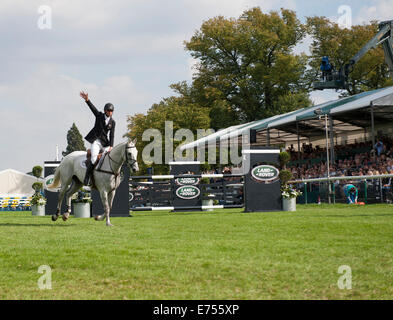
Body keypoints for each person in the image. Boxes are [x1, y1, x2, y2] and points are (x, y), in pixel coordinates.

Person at [80, 91, 116, 186]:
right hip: (96, 141)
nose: (110, 112)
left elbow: (112, 135)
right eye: (108, 110)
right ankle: (87, 178)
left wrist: (111, 146)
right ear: (105, 111)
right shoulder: (99, 115)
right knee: (93, 159)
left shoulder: (113, 122)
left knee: (111, 156)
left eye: (111, 111)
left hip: (105, 143)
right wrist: (87, 100)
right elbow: (93, 109)